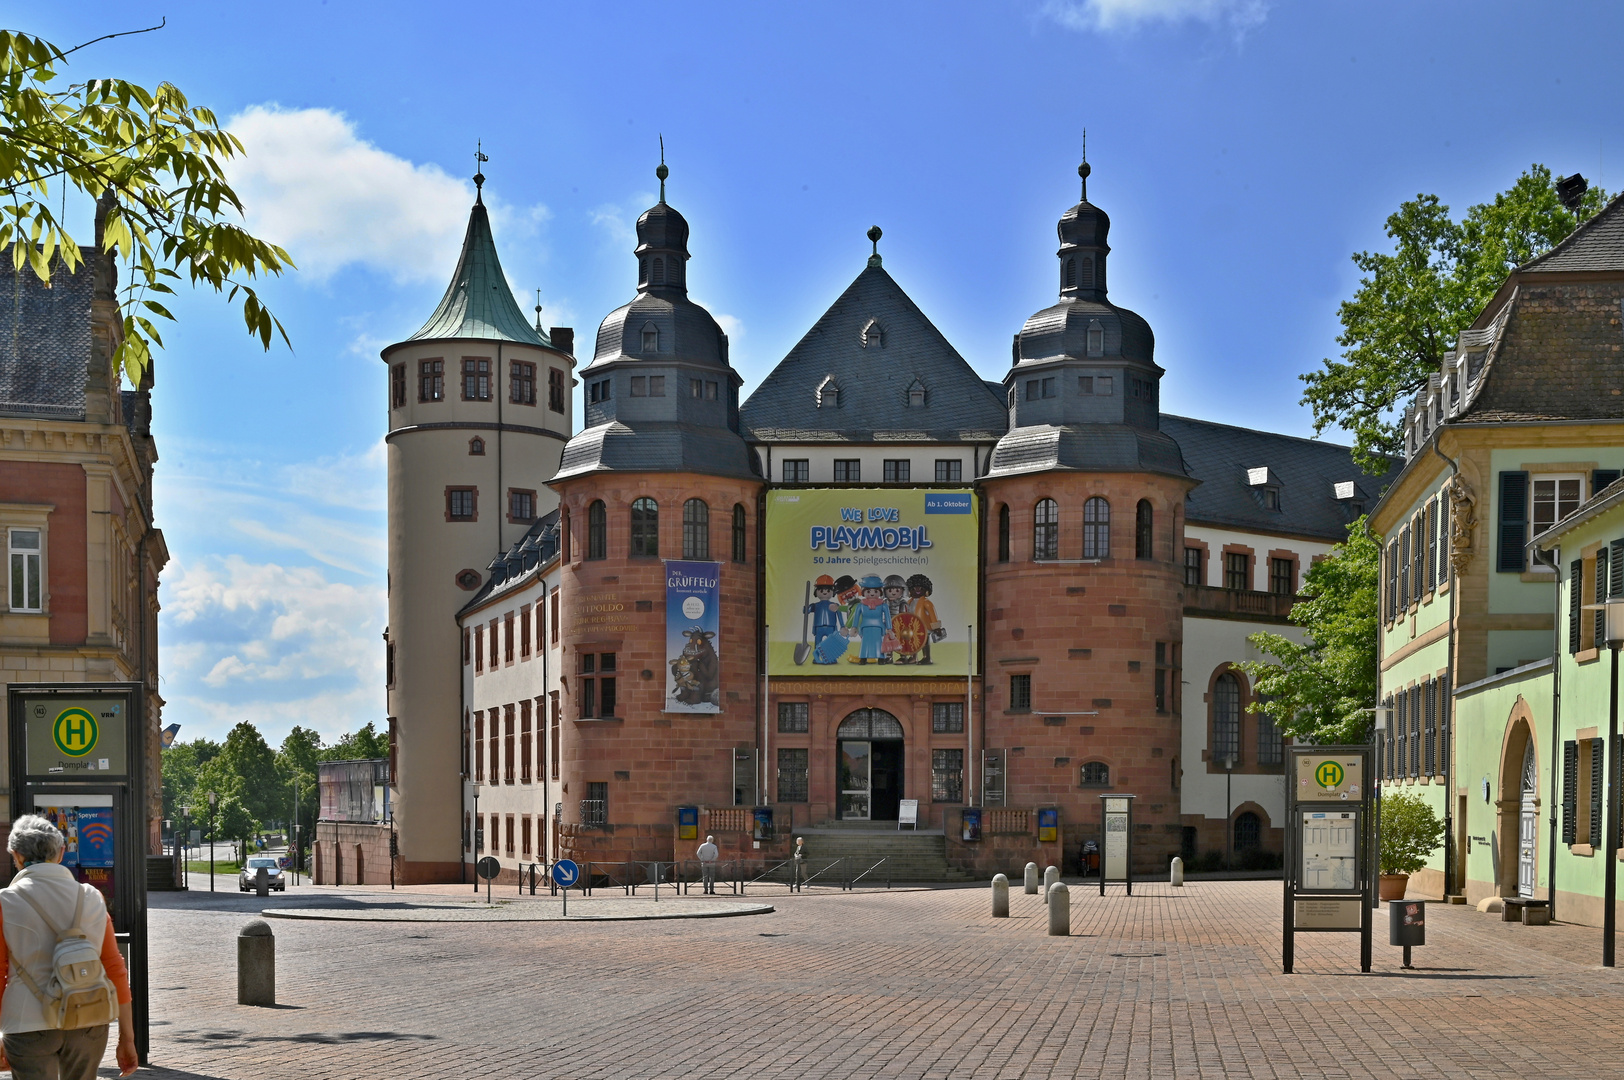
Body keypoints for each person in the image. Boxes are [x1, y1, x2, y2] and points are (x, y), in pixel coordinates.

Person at [0, 815, 136, 1079]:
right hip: (88, 1015)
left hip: (26, 1021)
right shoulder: (91, 897)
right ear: (61, 853)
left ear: (16, 856)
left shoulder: (5, 902)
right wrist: (127, 1037)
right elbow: (114, 968)